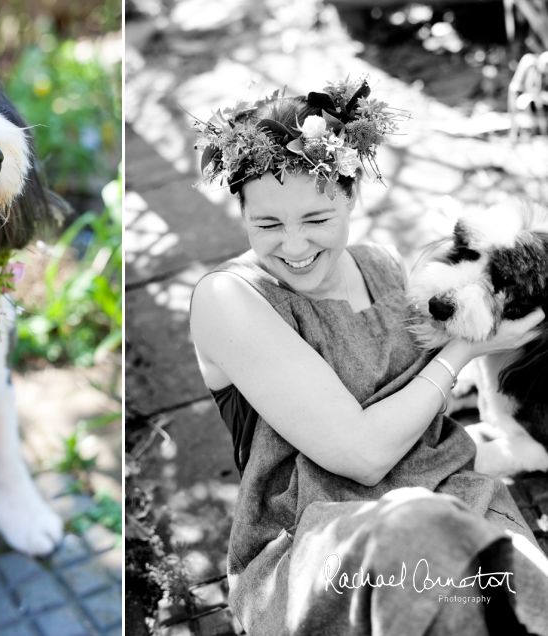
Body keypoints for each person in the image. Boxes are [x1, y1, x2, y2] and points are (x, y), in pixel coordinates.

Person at [188, 79, 548, 636]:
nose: (295, 247)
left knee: (512, 603)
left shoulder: (381, 263)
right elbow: (364, 456)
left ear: (351, 195)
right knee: (423, 543)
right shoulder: (229, 298)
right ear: (240, 212)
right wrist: (465, 349)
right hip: (323, 546)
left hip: (457, 503)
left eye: (317, 219)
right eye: (266, 224)